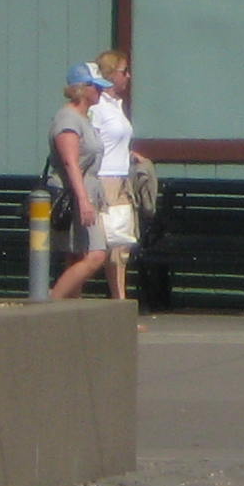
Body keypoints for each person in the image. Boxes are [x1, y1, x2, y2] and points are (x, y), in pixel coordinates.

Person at [45, 65, 113, 301]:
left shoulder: (85, 118)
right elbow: (70, 162)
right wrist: (83, 200)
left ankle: (71, 310)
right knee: (95, 255)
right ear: (82, 89)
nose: (100, 92)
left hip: (87, 190)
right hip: (73, 192)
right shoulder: (68, 119)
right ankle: (51, 301)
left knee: (76, 255)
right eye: (96, 87)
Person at [89, 48, 146, 302]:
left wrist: (131, 154)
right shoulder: (97, 107)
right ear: (111, 75)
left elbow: (114, 140)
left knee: (121, 244)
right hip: (104, 179)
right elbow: (90, 142)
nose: (128, 77)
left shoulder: (116, 106)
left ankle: (119, 301)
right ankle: (65, 295)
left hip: (121, 178)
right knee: (103, 245)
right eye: (124, 71)